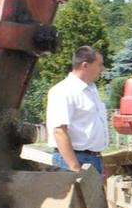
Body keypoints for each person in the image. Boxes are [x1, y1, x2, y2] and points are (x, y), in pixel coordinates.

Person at [46, 45, 108, 174]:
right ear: (85, 65)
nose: (102, 69)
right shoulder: (64, 91)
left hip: (93, 158)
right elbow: (59, 131)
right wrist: (74, 167)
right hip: (73, 160)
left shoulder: (91, 89)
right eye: (99, 65)